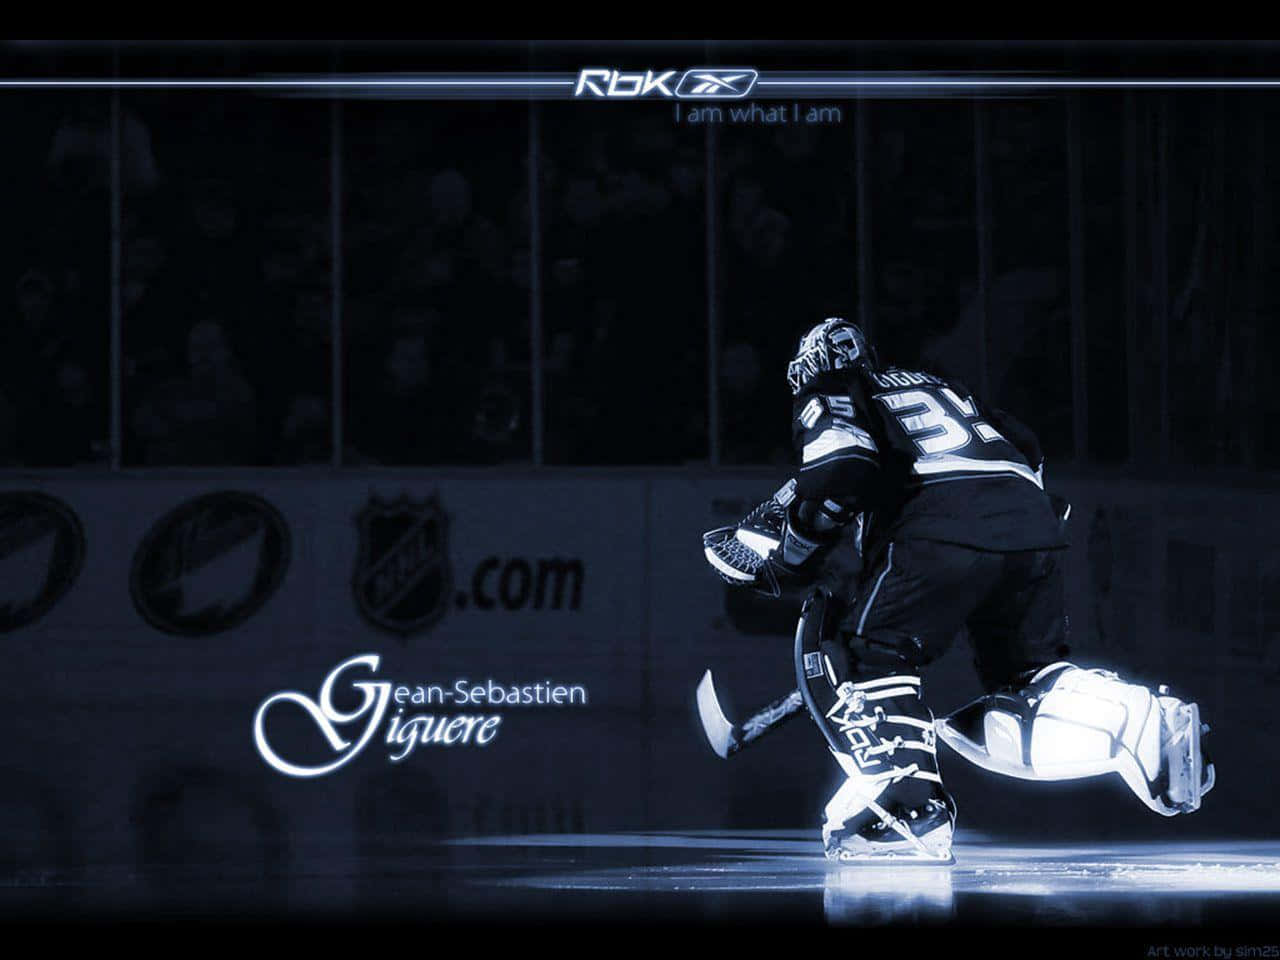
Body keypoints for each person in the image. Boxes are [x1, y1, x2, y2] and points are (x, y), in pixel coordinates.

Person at [703, 317, 1214, 863]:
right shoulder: (943, 387)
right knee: (1030, 678)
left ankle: (905, 807)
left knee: (862, 652)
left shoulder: (833, 389)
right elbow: (1027, 446)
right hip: (1030, 526)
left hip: (940, 527)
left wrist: (797, 547)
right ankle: (1139, 719)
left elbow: (843, 467)